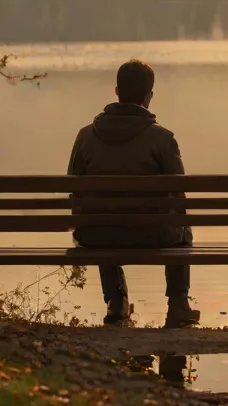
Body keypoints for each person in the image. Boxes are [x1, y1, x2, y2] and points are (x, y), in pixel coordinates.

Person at [67, 59, 201, 328]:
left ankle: (116, 302)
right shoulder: (163, 139)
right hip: (155, 235)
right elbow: (180, 194)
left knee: (101, 218)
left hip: (97, 236)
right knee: (182, 229)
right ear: (149, 95)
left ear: (116, 91)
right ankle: (178, 304)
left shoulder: (85, 136)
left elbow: (74, 190)